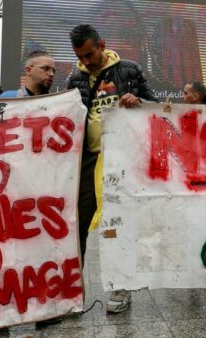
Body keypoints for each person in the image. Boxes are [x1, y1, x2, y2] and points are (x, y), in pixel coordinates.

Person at [67, 24, 157, 314]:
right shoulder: (75, 77)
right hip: (87, 162)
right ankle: (71, 291)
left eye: (91, 54)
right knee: (78, 225)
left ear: (102, 44)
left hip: (122, 161)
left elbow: (156, 106)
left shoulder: (129, 70)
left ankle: (121, 287)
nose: (87, 61)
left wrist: (139, 101)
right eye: (81, 56)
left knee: (118, 223)